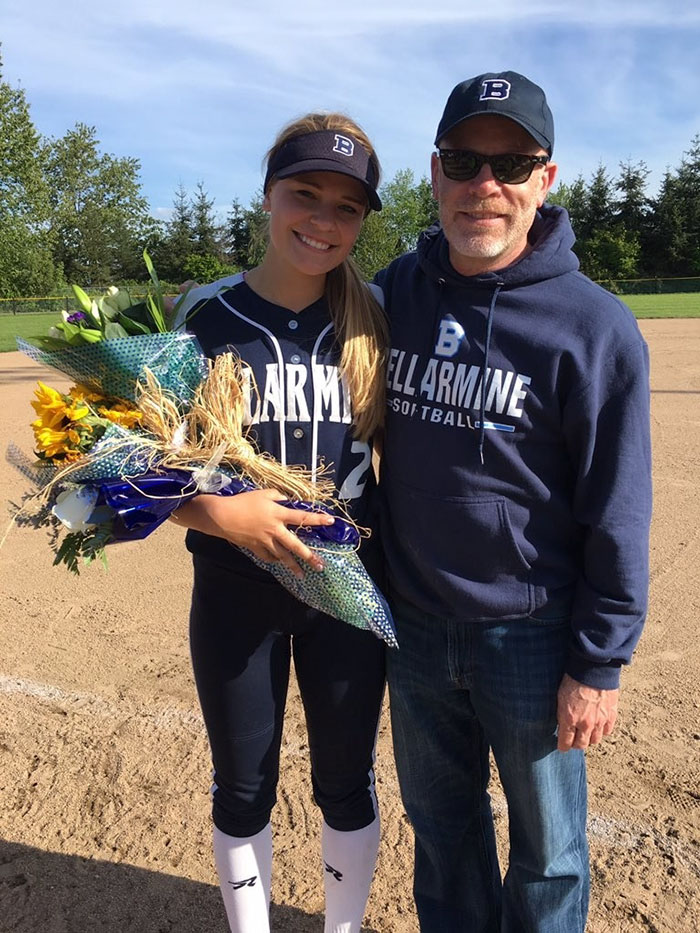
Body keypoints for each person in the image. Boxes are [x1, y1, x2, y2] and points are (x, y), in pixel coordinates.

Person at [375, 71, 652, 931]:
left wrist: (597, 661)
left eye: (511, 164)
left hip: (529, 634)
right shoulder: (395, 293)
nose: (482, 186)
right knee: (442, 829)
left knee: (549, 854)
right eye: (463, 160)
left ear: (546, 179)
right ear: (434, 172)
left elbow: (617, 505)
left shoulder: (592, 325)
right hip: (413, 623)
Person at [169, 113, 388, 933]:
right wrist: (219, 511)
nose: (324, 221)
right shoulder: (203, 316)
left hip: (345, 587)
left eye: (347, 206)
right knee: (242, 782)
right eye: (305, 194)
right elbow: (138, 473)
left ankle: (342, 926)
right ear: (268, 195)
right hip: (235, 588)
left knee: (345, 776)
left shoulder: (375, 318)